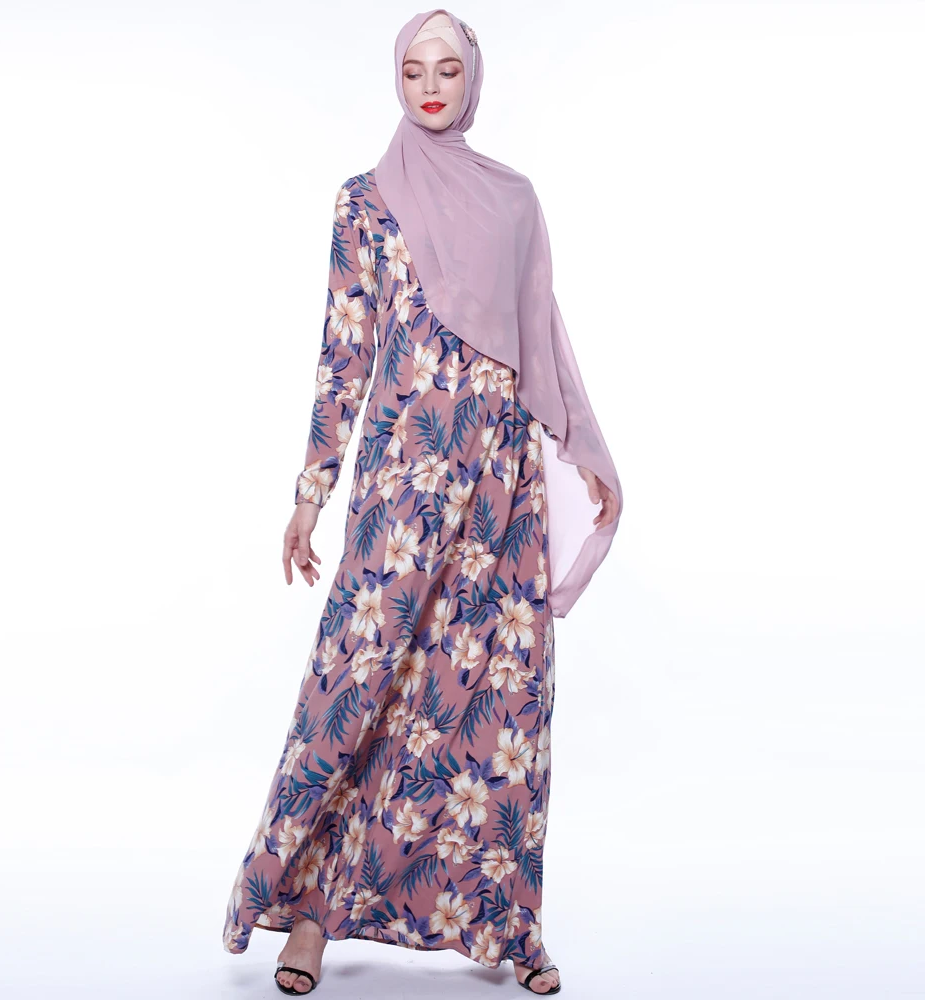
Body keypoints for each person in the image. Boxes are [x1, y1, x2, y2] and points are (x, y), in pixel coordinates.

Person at [222, 9, 622, 996]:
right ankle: (308, 917)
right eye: (413, 69)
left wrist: (581, 444)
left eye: (448, 69)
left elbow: (540, 334)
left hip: (499, 483)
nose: (431, 86)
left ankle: (507, 922)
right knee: (361, 685)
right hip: (403, 484)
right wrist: (311, 493)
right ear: (395, 79)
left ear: (472, 78)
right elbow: (344, 352)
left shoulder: (514, 201)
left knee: (500, 696)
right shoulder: (365, 203)